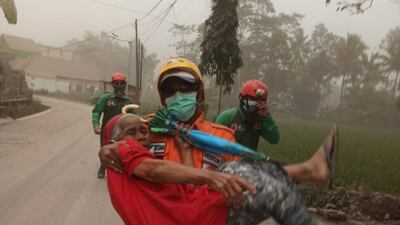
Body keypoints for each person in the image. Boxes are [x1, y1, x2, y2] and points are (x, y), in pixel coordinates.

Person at [99, 58, 337, 185]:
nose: (178, 95)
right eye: (171, 91)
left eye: (186, 89)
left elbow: (238, 182)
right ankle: (307, 170)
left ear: (199, 93)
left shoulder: (220, 136)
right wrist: (109, 148)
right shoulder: (146, 128)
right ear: (163, 98)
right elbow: (122, 143)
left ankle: (306, 171)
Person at [105, 114, 318, 225]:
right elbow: (153, 169)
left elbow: (185, 189)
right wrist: (212, 177)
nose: (141, 135)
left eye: (144, 130)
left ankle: (307, 171)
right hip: (201, 218)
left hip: (196, 214)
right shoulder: (122, 150)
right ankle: (308, 171)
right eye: (132, 131)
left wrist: (185, 151)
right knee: (271, 191)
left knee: (243, 170)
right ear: (114, 140)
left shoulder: (135, 166)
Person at [92, 72, 135, 179]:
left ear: (125, 85)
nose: (119, 86)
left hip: (122, 132)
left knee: (121, 152)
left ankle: (117, 172)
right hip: (107, 130)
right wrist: (96, 124)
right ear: (112, 85)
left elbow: (133, 118)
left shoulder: (129, 101)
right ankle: (103, 167)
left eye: (121, 83)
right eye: (116, 84)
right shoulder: (106, 98)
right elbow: (97, 111)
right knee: (105, 150)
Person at [215, 80, 279, 150]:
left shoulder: (260, 120)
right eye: (252, 99)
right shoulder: (227, 117)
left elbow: (274, 139)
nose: (255, 103)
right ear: (242, 98)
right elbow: (214, 142)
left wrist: (266, 117)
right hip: (228, 159)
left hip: (249, 160)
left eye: (259, 100)